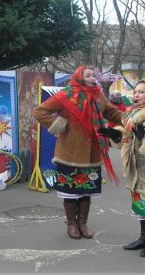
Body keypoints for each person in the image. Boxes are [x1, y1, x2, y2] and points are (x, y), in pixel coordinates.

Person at [33, 65, 122, 240]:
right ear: (79, 76)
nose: (91, 78)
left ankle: (83, 222)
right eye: (87, 75)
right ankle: (72, 224)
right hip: (69, 153)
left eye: (93, 75)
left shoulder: (98, 96)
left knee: (86, 191)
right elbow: (40, 111)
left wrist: (133, 118)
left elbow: (113, 114)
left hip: (92, 153)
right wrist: (59, 125)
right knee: (70, 191)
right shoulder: (66, 95)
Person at [99, 80, 145, 257]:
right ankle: (143, 237)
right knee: (140, 203)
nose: (136, 95)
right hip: (137, 166)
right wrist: (116, 135)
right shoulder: (131, 114)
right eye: (135, 92)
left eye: (141, 92)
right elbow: (127, 140)